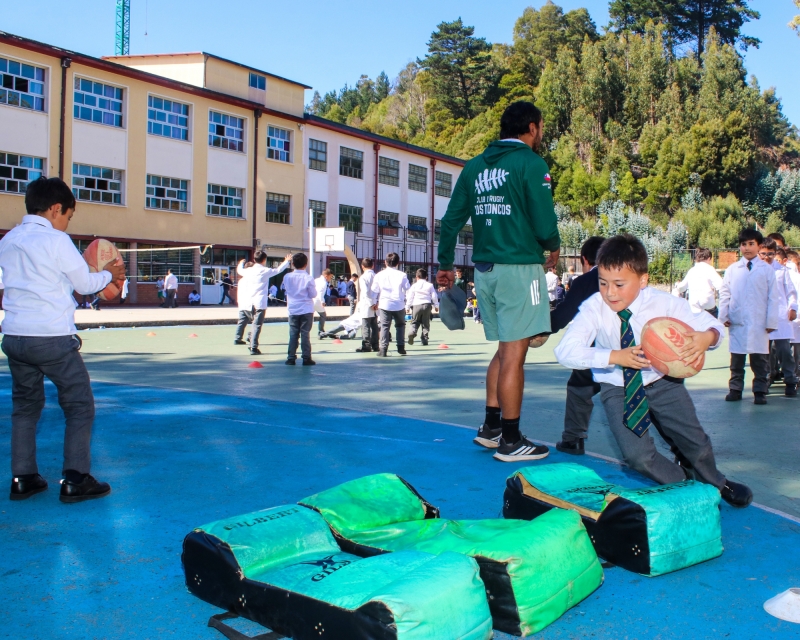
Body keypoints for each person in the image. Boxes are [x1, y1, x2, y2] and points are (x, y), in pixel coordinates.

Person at [554, 234, 753, 508]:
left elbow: (713, 325)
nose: (610, 292)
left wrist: (706, 338)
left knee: (696, 443)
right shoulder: (594, 309)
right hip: (617, 388)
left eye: (619, 284)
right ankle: (687, 486)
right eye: (603, 282)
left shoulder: (663, 304)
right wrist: (614, 356)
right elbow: (564, 351)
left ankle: (717, 482)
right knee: (638, 457)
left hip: (663, 382)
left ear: (643, 280)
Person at [437, 100, 560, 462]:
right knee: (516, 356)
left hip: (485, 272)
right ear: (532, 127)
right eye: (540, 128)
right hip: (519, 270)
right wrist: (552, 246)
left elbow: (450, 221)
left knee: (505, 350)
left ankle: (491, 428)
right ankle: (511, 439)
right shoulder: (531, 163)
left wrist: (446, 264)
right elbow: (543, 221)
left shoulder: (474, 167)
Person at [0, 177, 126, 502]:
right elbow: (84, 284)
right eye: (68, 216)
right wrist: (110, 274)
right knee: (79, 405)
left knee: (25, 408)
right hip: (51, 337)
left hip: (14, 335)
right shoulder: (57, 241)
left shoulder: (9, 240)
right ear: (56, 209)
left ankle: (23, 478)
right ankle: (75, 479)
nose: (67, 222)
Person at [545, 236, 605, 455]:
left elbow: (562, 316)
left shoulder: (584, 281)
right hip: (630, 348)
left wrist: (538, 328)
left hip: (596, 352)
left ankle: (574, 439)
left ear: (584, 260)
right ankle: (680, 451)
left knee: (579, 388)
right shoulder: (628, 277)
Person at [719, 228, 779, 405]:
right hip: (737, 320)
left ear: (759, 246)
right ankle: (735, 389)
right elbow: (725, 293)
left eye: (751, 244)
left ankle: (760, 391)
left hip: (760, 323)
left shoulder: (767, 271)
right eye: (743, 244)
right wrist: (724, 315)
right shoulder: (732, 270)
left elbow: (773, 298)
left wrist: (771, 321)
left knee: (759, 360)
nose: (747, 248)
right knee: (737, 360)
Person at [758, 238, 798, 396]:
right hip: (761, 318)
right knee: (764, 352)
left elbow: (791, 293)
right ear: (759, 253)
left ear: (775, 254)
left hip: (780, 318)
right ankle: (766, 378)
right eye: (763, 254)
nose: (767, 257)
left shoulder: (783, 271)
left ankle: (790, 380)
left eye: (770, 254)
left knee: (784, 351)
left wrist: (792, 308)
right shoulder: (754, 270)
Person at [234, 252, 292, 355]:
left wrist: (240, 263)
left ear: (254, 259)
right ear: (264, 260)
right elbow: (278, 270)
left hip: (248, 303)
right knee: (256, 325)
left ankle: (248, 340)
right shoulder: (266, 271)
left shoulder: (248, 271)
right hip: (259, 303)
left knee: (251, 323)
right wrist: (286, 261)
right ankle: (253, 347)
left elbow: (239, 270)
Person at [371, 252, 411, 357]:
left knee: (384, 326)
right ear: (398, 263)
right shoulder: (402, 275)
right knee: (400, 325)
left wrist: (374, 302)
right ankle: (401, 347)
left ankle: (383, 349)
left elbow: (374, 290)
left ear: (385, 262)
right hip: (399, 304)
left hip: (385, 304)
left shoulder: (379, 275)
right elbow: (407, 288)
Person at [282, 253, 317, 366]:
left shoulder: (287, 277)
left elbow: (285, 289)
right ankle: (306, 358)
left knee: (293, 334)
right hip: (306, 309)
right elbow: (313, 294)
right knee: (305, 334)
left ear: (292, 264)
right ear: (306, 264)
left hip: (293, 308)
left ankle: (291, 357)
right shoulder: (308, 278)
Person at [673, 248, 723, 316]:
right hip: (707, 306)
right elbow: (721, 285)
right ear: (709, 258)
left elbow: (682, 288)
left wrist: (677, 286)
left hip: (694, 307)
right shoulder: (710, 269)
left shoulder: (691, 270)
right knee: (717, 320)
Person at [406, 268, 439, 346]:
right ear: (426, 277)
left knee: (415, 321)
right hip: (427, 305)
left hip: (416, 305)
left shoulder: (414, 286)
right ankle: (424, 339)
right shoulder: (430, 285)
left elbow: (410, 296)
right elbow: (434, 296)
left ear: (417, 277)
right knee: (425, 323)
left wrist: (407, 307)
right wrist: (436, 305)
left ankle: (412, 332)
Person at [356, 258, 379, 353]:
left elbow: (365, 292)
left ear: (362, 266)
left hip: (367, 305)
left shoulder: (363, 277)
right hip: (376, 304)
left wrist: (371, 304)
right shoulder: (377, 276)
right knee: (374, 326)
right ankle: (375, 345)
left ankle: (366, 346)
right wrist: (377, 303)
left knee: (365, 326)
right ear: (372, 265)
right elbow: (379, 290)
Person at [314, 269, 334, 337]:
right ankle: (321, 331)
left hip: (310, 300)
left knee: (308, 317)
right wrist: (322, 301)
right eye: (330, 277)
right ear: (326, 276)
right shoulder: (324, 282)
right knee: (323, 315)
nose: (330, 278)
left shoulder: (316, 280)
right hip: (317, 301)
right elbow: (320, 292)